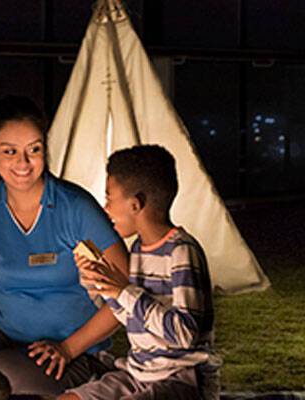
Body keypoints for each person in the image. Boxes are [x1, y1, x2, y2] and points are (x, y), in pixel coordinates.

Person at [0, 96, 131, 397]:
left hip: (69, 350)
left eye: (34, 150)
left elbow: (126, 295)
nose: (23, 163)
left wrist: (69, 349)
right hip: (0, 334)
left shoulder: (76, 208)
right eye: (9, 151)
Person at [67, 145, 218, 400]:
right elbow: (132, 317)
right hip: (139, 375)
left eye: (109, 199)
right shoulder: (138, 250)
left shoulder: (182, 252)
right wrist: (98, 281)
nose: (106, 209)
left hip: (181, 380)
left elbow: (185, 334)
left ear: (135, 204)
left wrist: (125, 291)